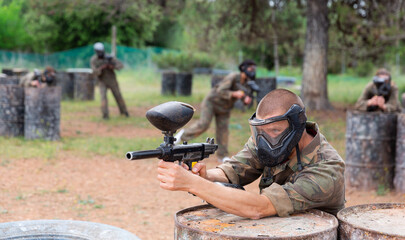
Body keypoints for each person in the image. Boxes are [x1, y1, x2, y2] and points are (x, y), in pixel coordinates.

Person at [158, 89, 345, 218]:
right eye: (261, 131)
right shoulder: (270, 139)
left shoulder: (327, 169)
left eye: (274, 131)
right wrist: (206, 176)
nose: (265, 139)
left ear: (297, 125)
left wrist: (193, 183)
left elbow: (259, 207)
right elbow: (234, 170)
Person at [174, 59, 257, 163]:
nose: (253, 70)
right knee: (203, 124)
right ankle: (182, 135)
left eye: (254, 68)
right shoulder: (233, 77)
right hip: (212, 102)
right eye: (250, 68)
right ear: (243, 68)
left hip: (225, 108)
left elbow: (243, 97)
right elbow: (220, 90)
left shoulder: (247, 83)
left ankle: (223, 156)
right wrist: (234, 94)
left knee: (223, 131)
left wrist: (245, 100)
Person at [90, 42, 129, 119]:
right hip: (102, 81)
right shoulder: (94, 60)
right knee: (103, 98)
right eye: (99, 51)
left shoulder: (109, 57)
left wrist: (112, 67)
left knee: (118, 96)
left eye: (101, 51)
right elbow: (94, 72)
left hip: (112, 81)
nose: (100, 53)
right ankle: (105, 115)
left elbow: (120, 65)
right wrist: (102, 68)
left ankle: (124, 112)